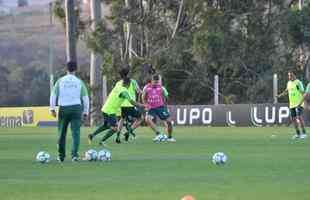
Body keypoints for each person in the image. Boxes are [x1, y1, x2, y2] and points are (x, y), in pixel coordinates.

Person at [88, 68, 145, 146]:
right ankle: (102, 141)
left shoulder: (118, 85)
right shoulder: (124, 91)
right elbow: (132, 102)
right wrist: (143, 105)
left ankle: (92, 135)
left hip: (105, 108)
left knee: (106, 125)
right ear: (128, 85)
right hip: (110, 110)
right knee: (115, 128)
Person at [50, 61, 90, 162]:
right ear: (76, 69)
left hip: (64, 108)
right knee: (76, 133)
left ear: (66, 69)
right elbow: (85, 98)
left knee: (62, 133)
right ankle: (74, 156)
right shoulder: (79, 81)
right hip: (76, 108)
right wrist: (85, 112)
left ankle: (61, 156)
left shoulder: (60, 81)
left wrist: (52, 109)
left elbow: (53, 95)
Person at [142, 74, 176, 142]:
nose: (156, 83)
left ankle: (169, 137)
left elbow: (165, 97)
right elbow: (143, 97)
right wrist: (145, 105)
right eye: (155, 82)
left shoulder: (161, 88)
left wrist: (164, 106)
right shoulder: (146, 87)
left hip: (160, 107)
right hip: (151, 108)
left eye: (157, 82)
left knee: (169, 122)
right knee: (147, 119)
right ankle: (159, 134)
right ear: (152, 81)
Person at [114, 67, 144, 143]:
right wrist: (143, 93)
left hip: (121, 105)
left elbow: (116, 93)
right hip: (130, 104)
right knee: (140, 118)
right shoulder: (132, 81)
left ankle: (117, 136)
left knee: (122, 119)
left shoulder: (118, 83)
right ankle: (128, 132)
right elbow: (138, 91)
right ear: (127, 74)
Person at [277, 70, 307, 139]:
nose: (289, 77)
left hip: (299, 104)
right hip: (292, 105)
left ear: (294, 75)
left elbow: (303, 93)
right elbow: (286, 91)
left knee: (299, 117)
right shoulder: (289, 83)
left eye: (291, 75)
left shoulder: (298, 83)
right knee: (293, 119)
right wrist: (279, 95)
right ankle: (298, 134)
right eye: (288, 75)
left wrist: (303, 102)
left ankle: (304, 133)